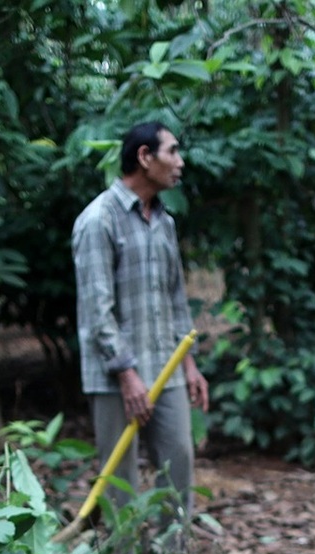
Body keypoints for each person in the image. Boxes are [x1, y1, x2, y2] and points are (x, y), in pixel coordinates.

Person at [71, 121, 211, 525]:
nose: (180, 163)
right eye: (172, 152)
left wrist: (188, 363)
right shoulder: (99, 219)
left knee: (179, 460)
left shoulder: (165, 222)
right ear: (145, 157)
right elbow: (97, 308)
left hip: (166, 367)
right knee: (120, 479)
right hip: (115, 375)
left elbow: (175, 299)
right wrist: (126, 373)